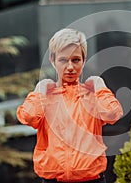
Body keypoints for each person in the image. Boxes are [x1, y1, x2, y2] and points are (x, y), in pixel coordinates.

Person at [17, 28, 123, 183]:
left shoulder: (92, 93)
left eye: (75, 60)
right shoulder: (46, 95)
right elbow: (29, 117)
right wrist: (39, 90)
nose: (70, 67)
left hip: (91, 179)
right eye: (63, 60)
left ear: (84, 59)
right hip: (53, 179)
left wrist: (100, 86)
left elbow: (113, 114)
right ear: (53, 60)